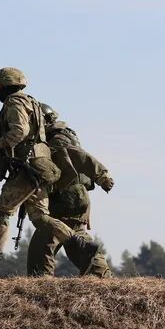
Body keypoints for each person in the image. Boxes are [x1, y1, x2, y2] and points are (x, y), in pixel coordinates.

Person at [0, 68, 100, 278]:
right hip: (41, 168)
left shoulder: (14, 102)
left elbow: (20, 131)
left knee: (0, 213)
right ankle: (80, 244)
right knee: (41, 218)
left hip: (28, 169)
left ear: (6, 84)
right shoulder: (32, 103)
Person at [27, 104, 114, 277]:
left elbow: (79, 156)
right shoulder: (57, 136)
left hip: (67, 198)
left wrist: (102, 176)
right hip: (74, 197)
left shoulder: (57, 139)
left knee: (44, 242)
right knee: (77, 238)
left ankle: (40, 284)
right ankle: (102, 277)